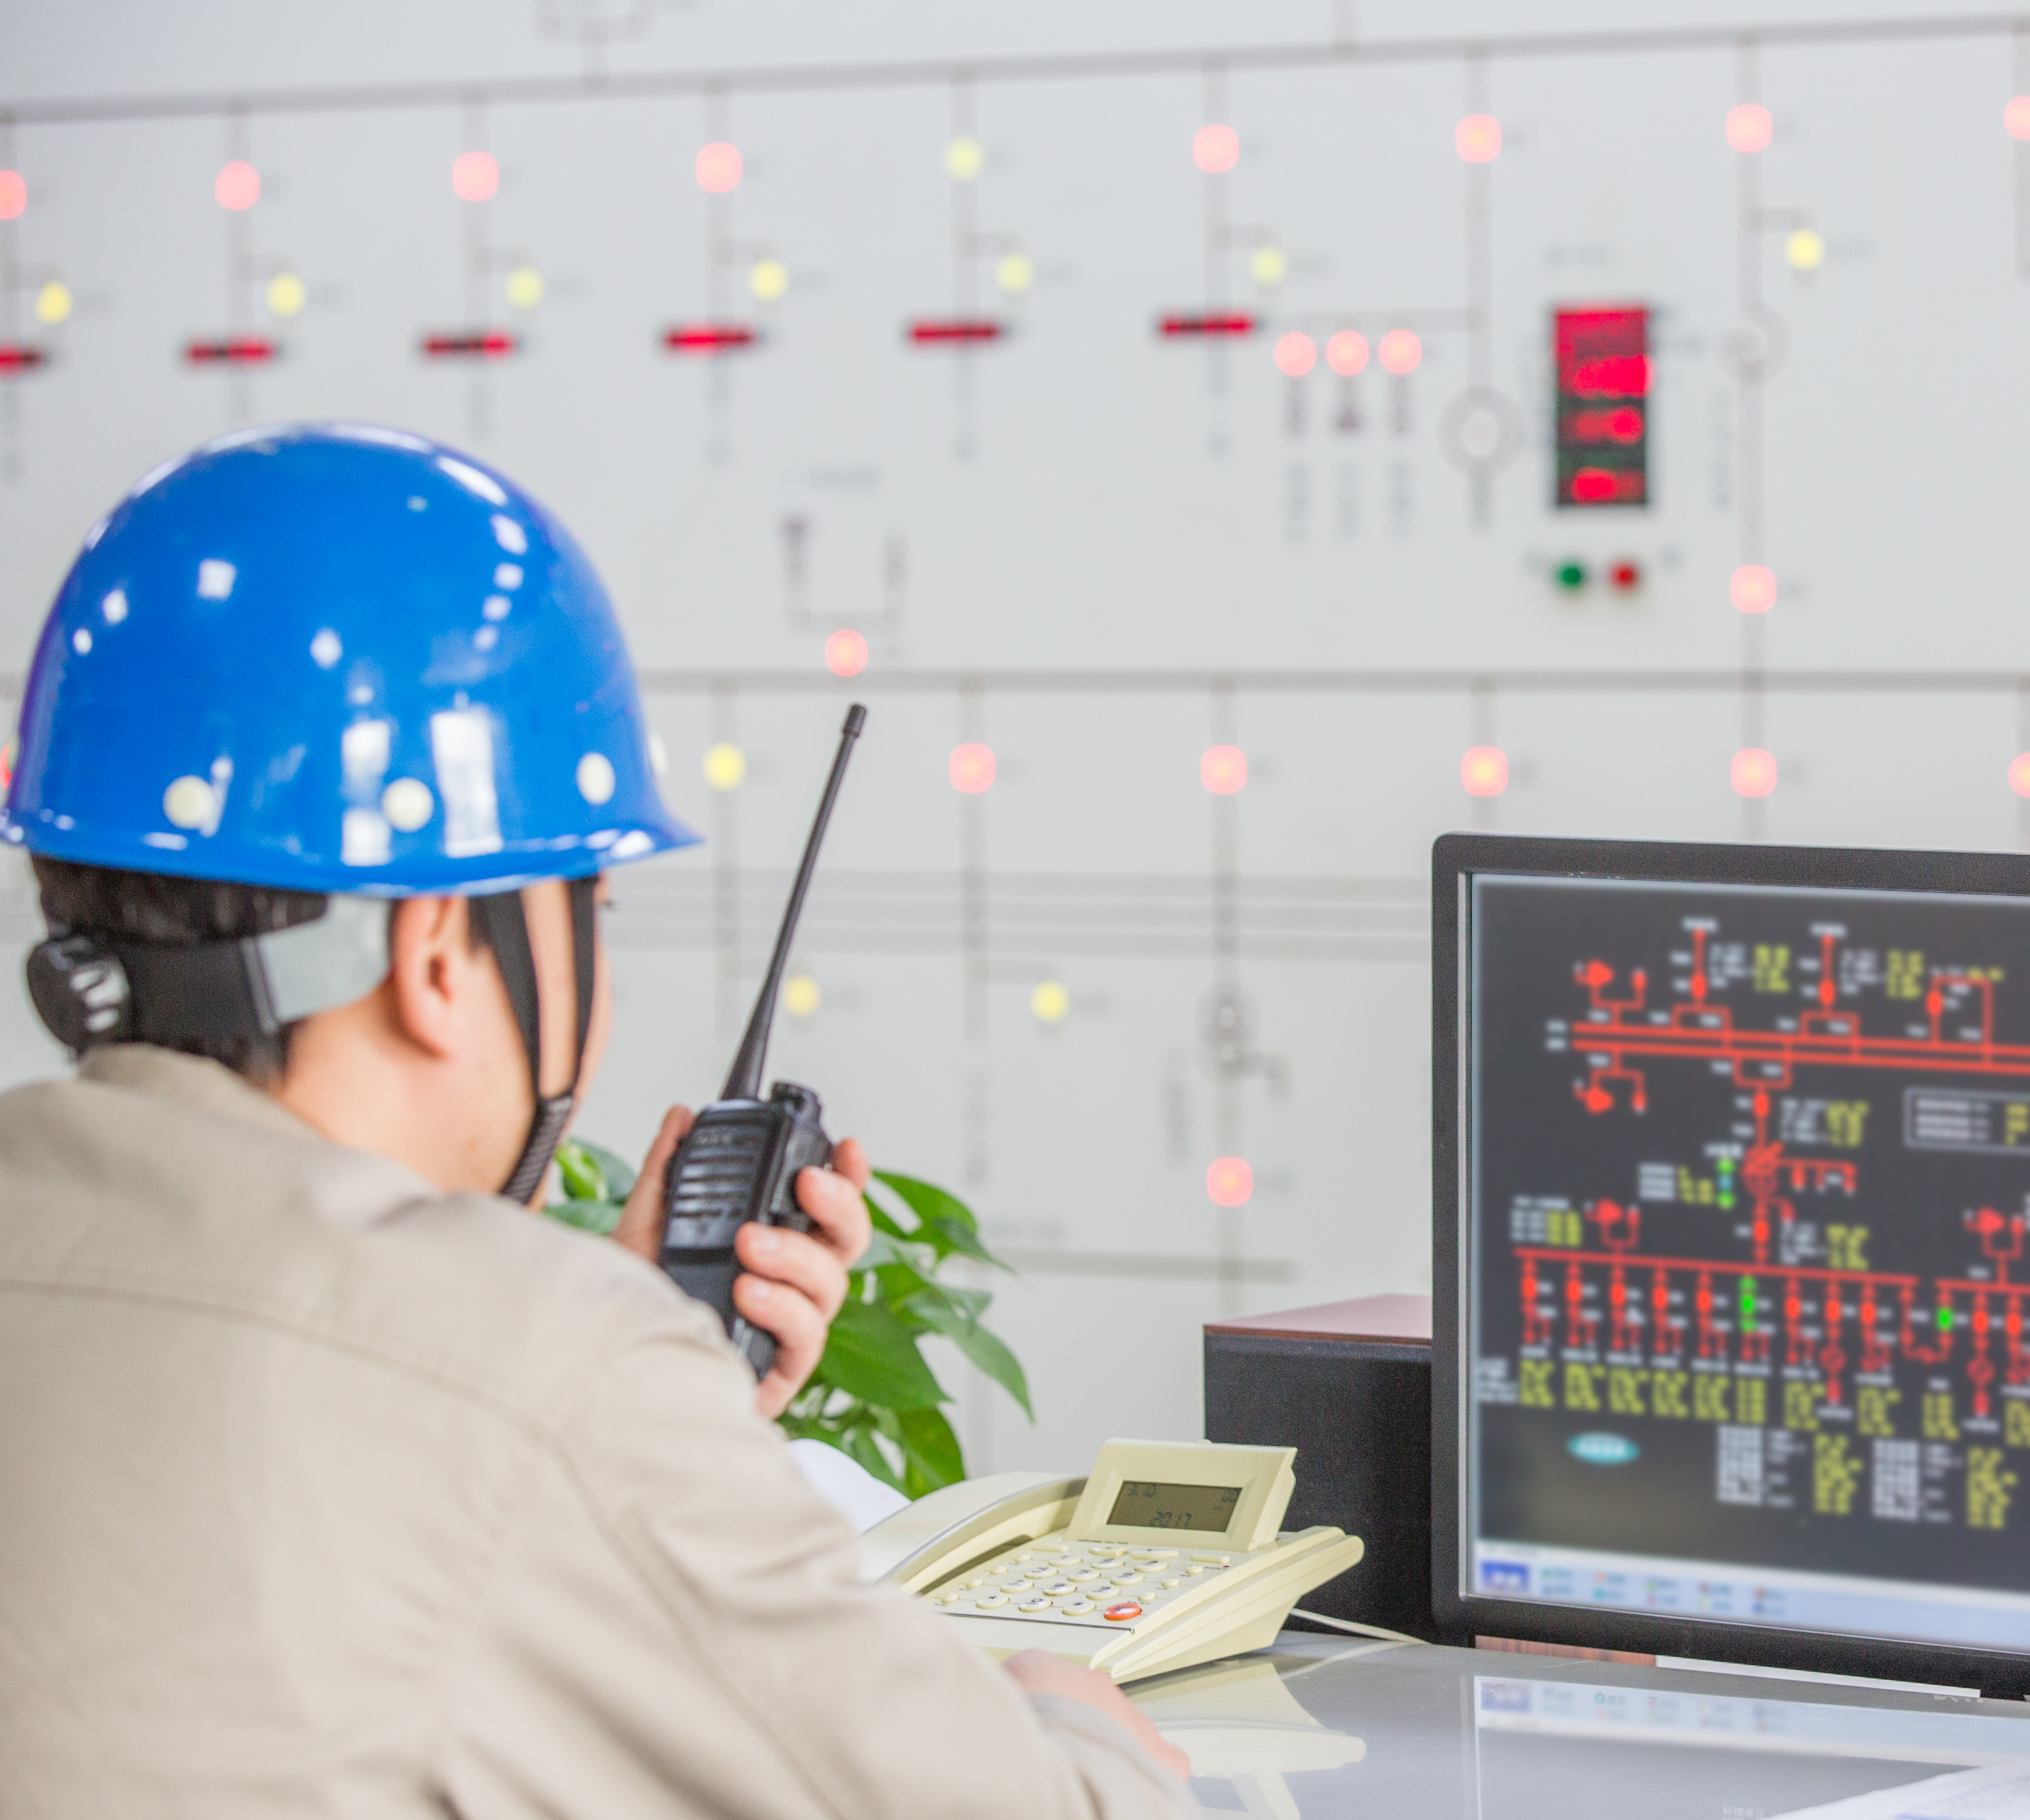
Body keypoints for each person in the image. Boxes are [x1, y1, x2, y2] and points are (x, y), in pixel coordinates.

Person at [0, 425, 1194, 1816]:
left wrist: (639, 1409)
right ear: (443, 955)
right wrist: (1063, 1719)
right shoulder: (533, 1375)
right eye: (595, 910)